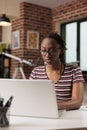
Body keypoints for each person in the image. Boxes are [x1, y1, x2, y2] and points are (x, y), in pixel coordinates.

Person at [29, 32, 85, 110]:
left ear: (61, 50)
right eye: (43, 50)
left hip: (67, 115)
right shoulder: (36, 72)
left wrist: (51, 107)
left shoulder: (74, 71)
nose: (47, 55)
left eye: (52, 50)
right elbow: (30, 98)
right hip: (43, 113)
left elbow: (77, 101)